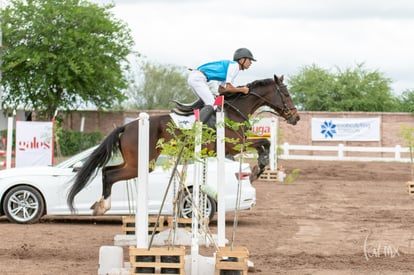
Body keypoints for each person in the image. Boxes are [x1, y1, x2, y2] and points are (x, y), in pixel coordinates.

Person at [188, 47, 256, 123]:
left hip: (196, 77)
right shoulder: (235, 66)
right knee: (212, 104)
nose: (250, 63)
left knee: (205, 103)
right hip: (198, 78)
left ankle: (195, 122)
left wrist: (237, 90)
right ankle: (197, 129)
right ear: (242, 60)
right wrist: (242, 90)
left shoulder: (231, 67)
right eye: (249, 60)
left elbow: (221, 90)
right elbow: (229, 87)